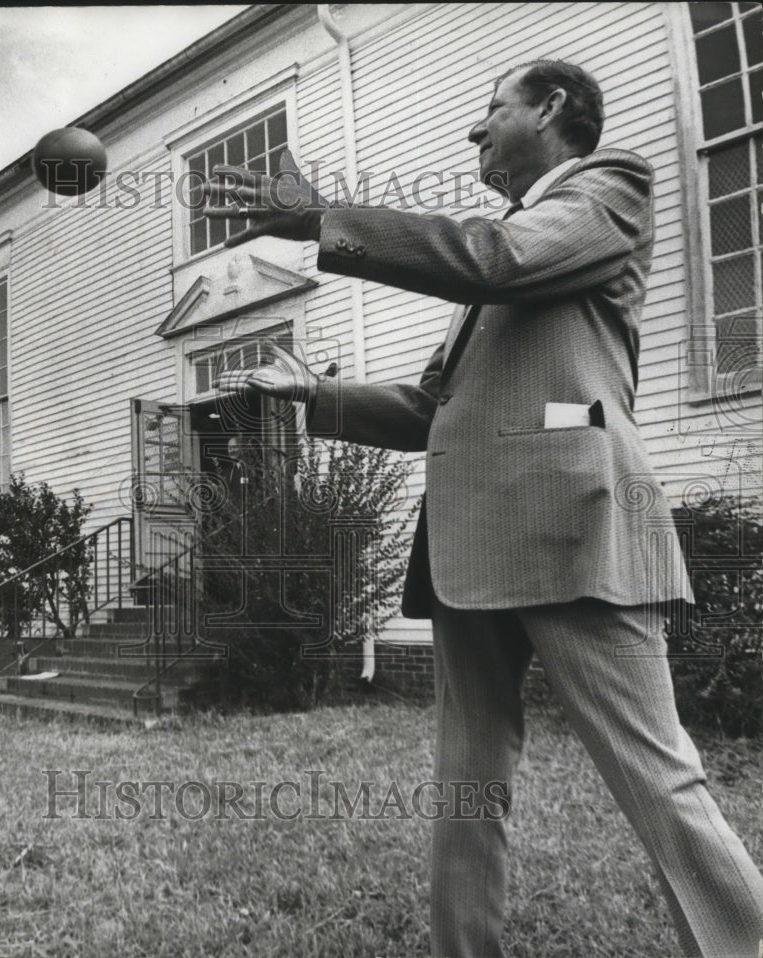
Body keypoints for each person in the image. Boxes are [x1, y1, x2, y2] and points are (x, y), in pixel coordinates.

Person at [207, 60, 763, 958]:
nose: (474, 130)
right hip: (472, 549)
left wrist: (323, 220)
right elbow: (437, 408)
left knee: (658, 780)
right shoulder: (506, 255)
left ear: (550, 109)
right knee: (466, 786)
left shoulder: (608, 189)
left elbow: (495, 260)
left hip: (577, 528)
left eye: (490, 108)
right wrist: (315, 397)